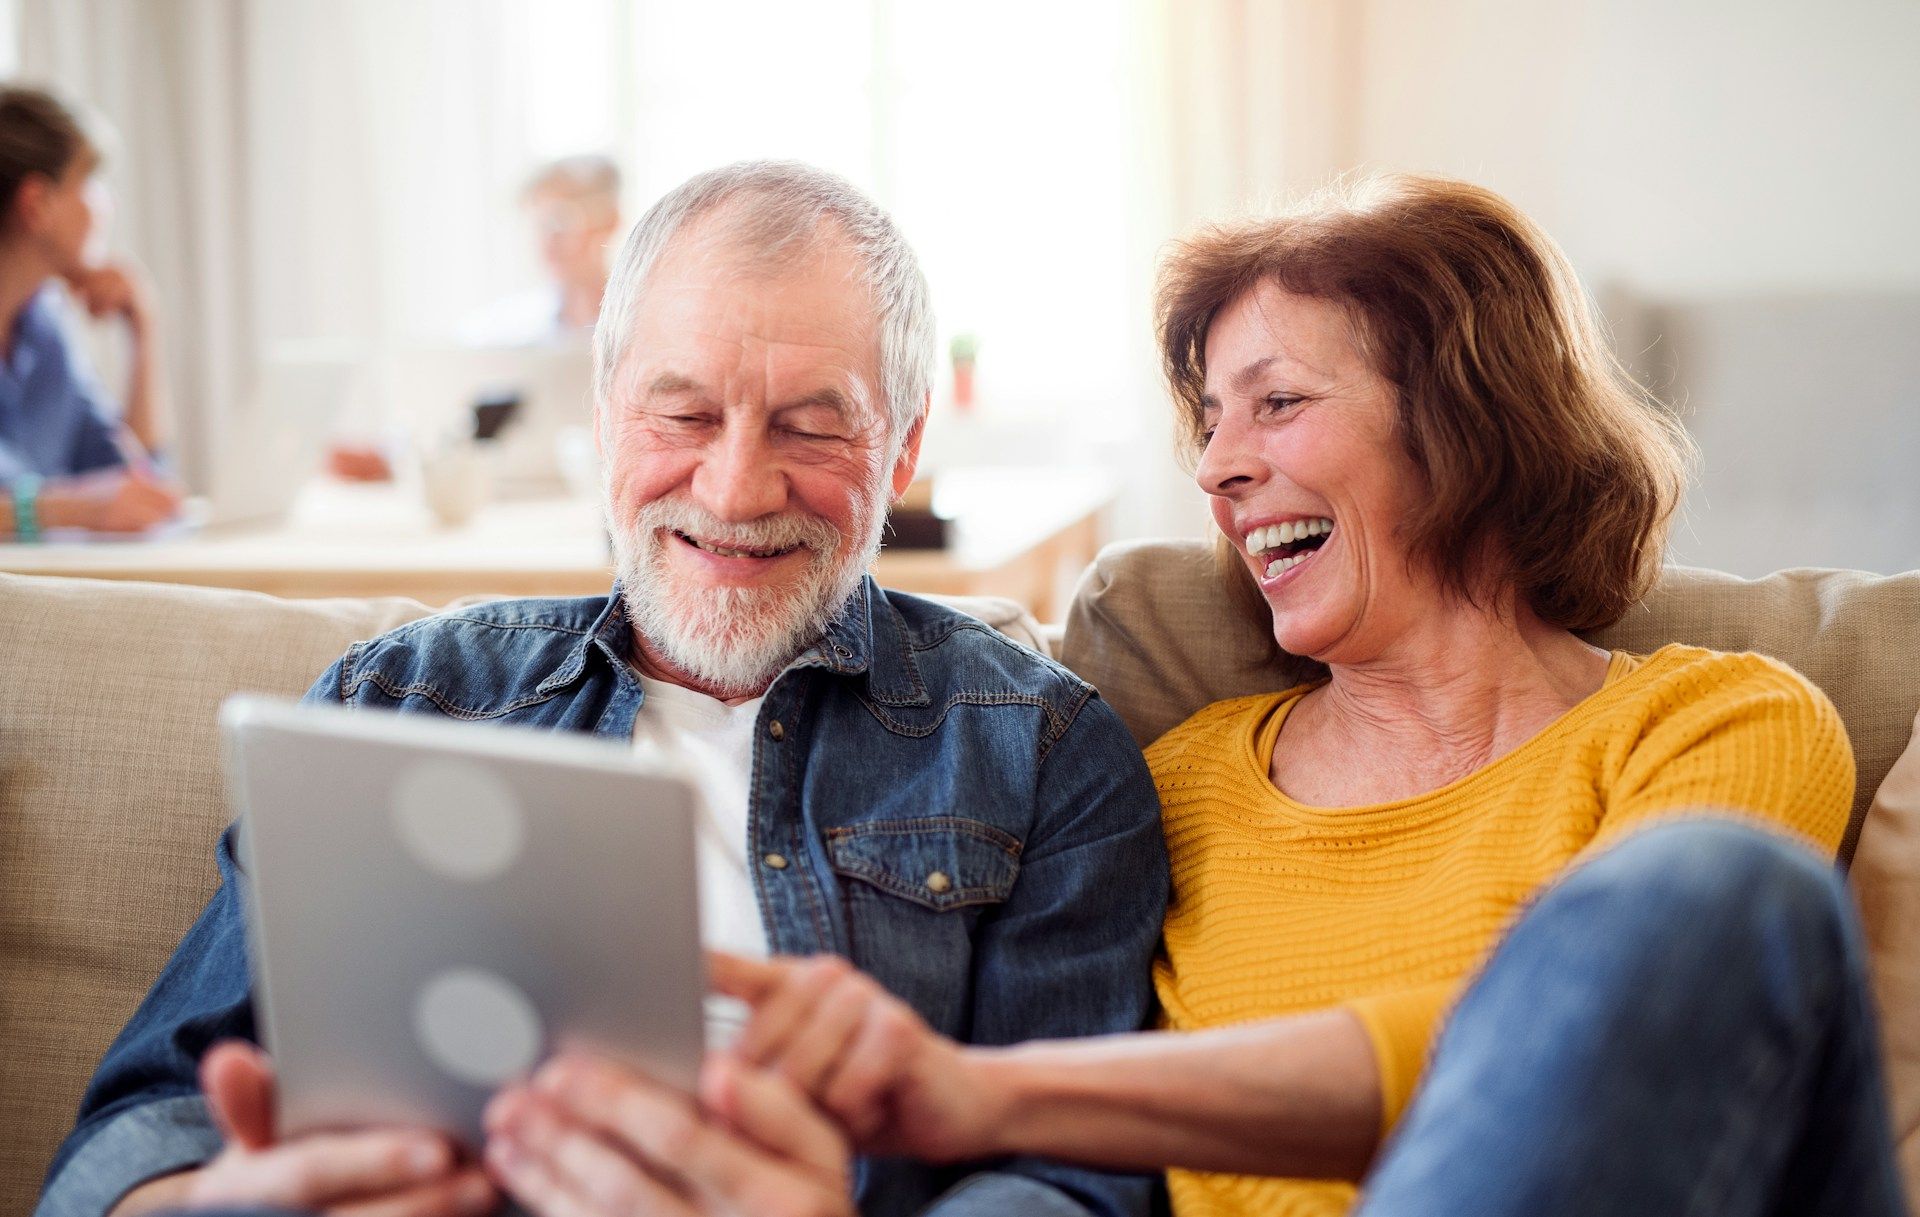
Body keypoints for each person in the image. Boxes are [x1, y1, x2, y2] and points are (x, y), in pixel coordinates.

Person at [697, 173, 1907, 1216]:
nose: (1219, 467)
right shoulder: (1162, 783)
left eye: (1277, 402)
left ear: (1471, 424)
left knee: (1716, 885)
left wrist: (979, 1091)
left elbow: (1579, 1059)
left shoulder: (1722, 722)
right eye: (1213, 422)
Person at [35, 161, 1168, 1217]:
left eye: (811, 425)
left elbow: (1077, 1175)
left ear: (904, 446)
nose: (732, 487)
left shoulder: (1040, 747)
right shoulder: (407, 700)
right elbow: (136, 1123)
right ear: (604, 412)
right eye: (681, 415)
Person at [0, 84, 182, 538]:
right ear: (37, 204)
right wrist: (70, 510)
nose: (107, 204)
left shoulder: (45, 331)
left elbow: (140, 482)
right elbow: (94, 504)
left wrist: (144, 330)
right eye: (91, 182)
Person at [462, 154, 625, 348]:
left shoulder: (640, 321)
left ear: (610, 220)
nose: (548, 241)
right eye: (538, 223)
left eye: (561, 220)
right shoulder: (496, 333)